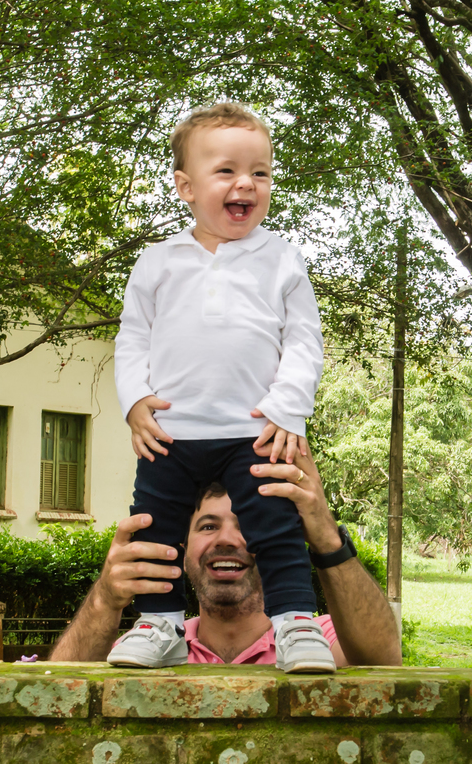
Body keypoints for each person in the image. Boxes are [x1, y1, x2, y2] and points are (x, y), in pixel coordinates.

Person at [111, 104, 328, 671]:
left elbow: (305, 342)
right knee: (154, 532)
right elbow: (132, 339)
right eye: (227, 171)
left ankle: (296, 627)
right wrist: (134, 401)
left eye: (260, 172)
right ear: (185, 186)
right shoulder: (157, 263)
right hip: (171, 433)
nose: (246, 184)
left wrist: (288, 408)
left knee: (276, 528)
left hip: (253, 432)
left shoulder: (282, 259)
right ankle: (158, 625)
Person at [50, 454, 402, 666]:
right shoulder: (151, 647)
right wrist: (104, 600)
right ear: (182, 547)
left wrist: (325, 534)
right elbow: (57, 691)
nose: (227, 540)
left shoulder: (319, 638)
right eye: (207, 525)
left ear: (277, 542)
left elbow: (385, 663)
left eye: (248, 525)